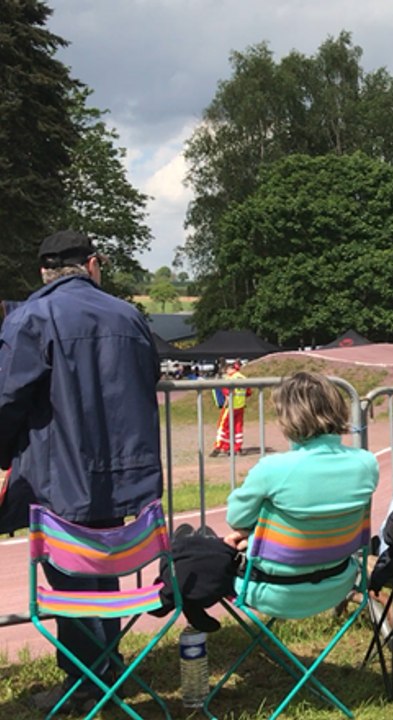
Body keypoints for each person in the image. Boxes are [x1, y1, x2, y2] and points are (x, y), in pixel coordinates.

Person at [0, 231, 162, 710]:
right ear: (93, 264)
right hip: (125, 470)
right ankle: (104, 668)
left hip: (58, 473)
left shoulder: (30, 317)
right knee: (105, 566)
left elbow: (8, 398)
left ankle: (87, 682)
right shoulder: (128, 314)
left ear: (43, 272)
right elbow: (148, 373)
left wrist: (4, 456)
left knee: (71, 573)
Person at [222, 371, 379, 617]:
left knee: (196, 550)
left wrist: (249, 534)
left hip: (273, 590)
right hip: (338, 583)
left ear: (288, 417)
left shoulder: (273, 468)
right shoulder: (367, 464)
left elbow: (237, 518)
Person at [211, 360, 251, 456]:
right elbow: (248, 392)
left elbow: (227, 392)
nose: (226, 372)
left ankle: (220, 446)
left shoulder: (230, 379)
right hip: (240, 407)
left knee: (223, 426)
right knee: (238, 427)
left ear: (230, 368)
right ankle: (237, 447)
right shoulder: (243, 378)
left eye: (226, 369)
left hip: (230, 407)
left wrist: (226, 402)